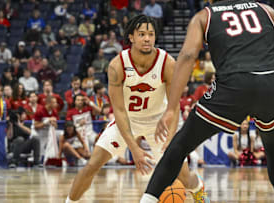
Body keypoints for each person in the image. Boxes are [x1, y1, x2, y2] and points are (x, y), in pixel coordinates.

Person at [140, 1, 274, 203]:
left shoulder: (204, 16)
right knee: (273, 145)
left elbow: (189, 55)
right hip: (271, 84)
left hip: (233, 85)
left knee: (180, 145)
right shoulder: (267, 10)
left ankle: (147, 200)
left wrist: (172, 108)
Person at [66, 15, 206, 203]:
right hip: (128, 121)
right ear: (131, 37)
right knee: (92, 164)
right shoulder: (117, 65)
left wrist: (171, 139)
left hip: (159, 123)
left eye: (150, 34)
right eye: (141, 34)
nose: (147, 38)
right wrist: (135, 149)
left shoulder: (167, 63)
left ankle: (198, 188)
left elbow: (173, 107)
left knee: (184, 177)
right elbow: (119, 111)